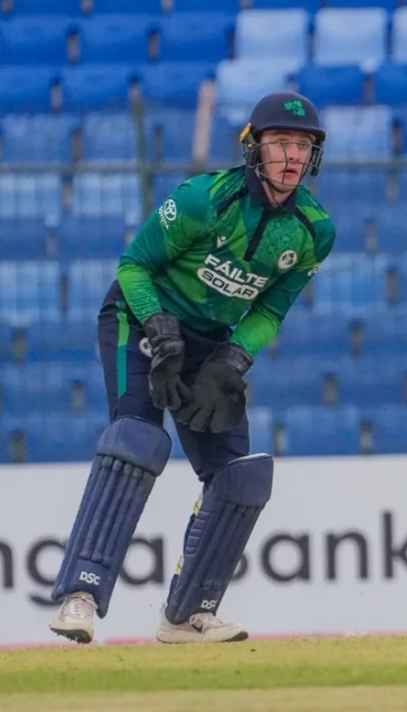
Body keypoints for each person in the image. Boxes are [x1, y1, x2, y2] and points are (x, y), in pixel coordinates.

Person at [47, 91, 336, 644]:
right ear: (254, 149)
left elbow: (272, 308)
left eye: (302, 146)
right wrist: (158, 327)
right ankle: (80, 596)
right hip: (138, 317)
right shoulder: (206, 199)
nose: (292, 157)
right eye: (280, 144)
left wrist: (232, 357)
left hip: (211, 339)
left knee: (242, 476)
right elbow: (134, 265)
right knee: (136, 439)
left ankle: (186, 615)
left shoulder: (313, 230)